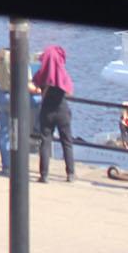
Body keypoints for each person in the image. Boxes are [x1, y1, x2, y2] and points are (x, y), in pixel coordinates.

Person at [33, 44, 76, 182]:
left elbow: (35, 84)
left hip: (47, 110)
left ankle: (44, 175)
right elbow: (70, 91)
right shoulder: (62, 73)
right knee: (67, 142)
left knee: (45, 141)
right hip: (62, 110)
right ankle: (70, 173)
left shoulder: (43, 73)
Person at [0, 47, 40, 174]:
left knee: (4, 132)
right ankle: (17, 162)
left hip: (2, 96)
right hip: (16, 98)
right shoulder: (21, 58)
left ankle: (6, 165)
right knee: (17, 130)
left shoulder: (1, 57)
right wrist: (39, 90)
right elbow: (28, 84)